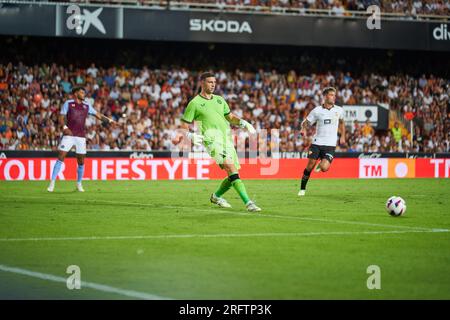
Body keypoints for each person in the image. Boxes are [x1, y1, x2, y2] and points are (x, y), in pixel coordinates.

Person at [172, 72, 261, 212]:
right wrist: (190, 135)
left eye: (214, 82)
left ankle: (216, 196)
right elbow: (184, 124)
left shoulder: (220, 100)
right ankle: (248, 203)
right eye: (209, 82)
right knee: (231, 168)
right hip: (211, 141)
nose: (213, 85)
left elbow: (230, 117)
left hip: (227, 140)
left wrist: (243, 123)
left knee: (233, 175)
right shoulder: (194, 103)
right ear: (202, 83)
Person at [47, 87, 115, 192]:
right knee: (61, 156)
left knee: (81, 161)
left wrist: (109, 120)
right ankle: (52, 183)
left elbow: (98, 115)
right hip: (69, 135)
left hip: (81, 136)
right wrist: (65, 128)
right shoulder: (68, 103)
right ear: (75, 93)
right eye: (82, 92)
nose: (84, 94)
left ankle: (79, 183)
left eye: (84, 92)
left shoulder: (87, 105)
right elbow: (61, 117)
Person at [298, 87, 345, 196]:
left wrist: (343, 136)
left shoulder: (339, 110)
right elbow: (306, 122)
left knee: (324, 168)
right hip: (317, 143)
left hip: (330, 145)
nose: (334, 97)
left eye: (334, 95)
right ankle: (302, 189)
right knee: (310, 166)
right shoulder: (317, 111)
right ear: (325, 96)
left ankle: (321, 164)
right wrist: (303, 129)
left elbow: (342, 123)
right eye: (331, 95)